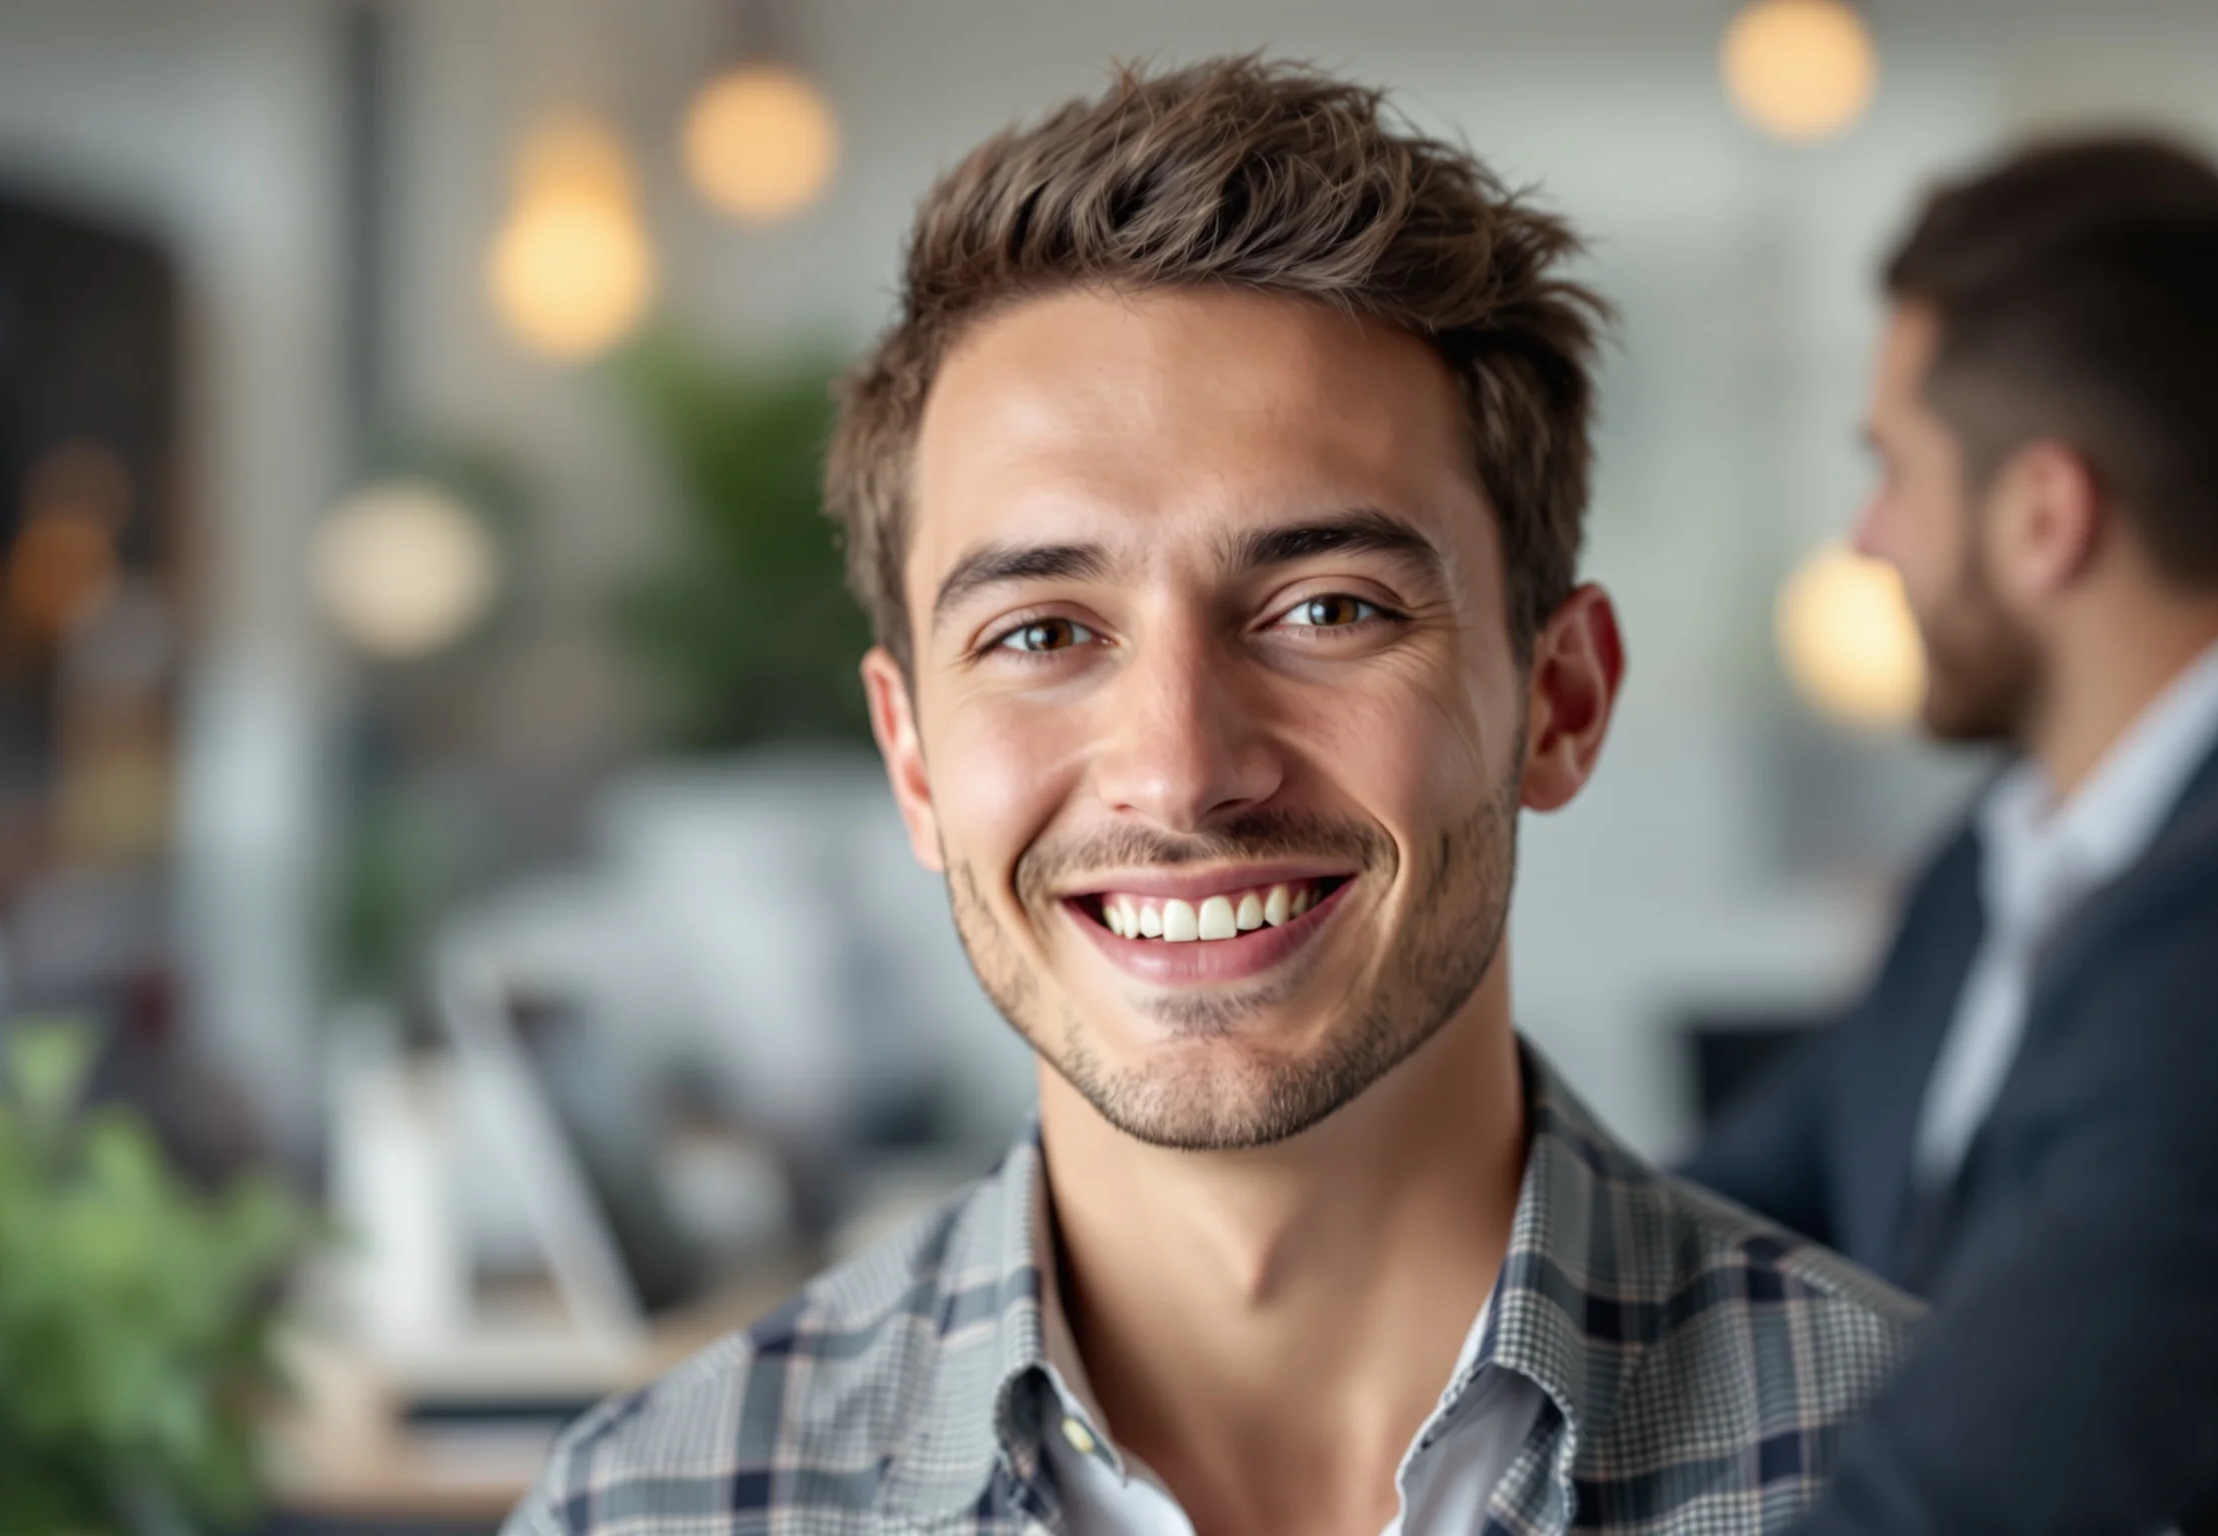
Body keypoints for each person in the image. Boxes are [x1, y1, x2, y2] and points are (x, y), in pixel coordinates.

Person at [505, 56, 1919, 1536]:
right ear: (912, 757)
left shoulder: (1949, 1478)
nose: (1182, 771)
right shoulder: (649, 1509)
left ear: (1559, 701)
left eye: (1327, 610)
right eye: (1042, 635)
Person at [1685, 135, 2218, 1534]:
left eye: (1894, 472)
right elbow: (1712, 1227)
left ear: (2044, 514)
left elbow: (1953, 1509)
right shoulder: (2006, 861)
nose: (1869, 541)